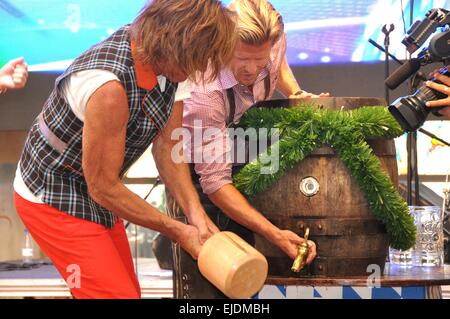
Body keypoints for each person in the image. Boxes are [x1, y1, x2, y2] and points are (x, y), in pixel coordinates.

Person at [13, 0, 236, 299]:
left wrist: (195, 215)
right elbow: (102, 186)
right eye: (194, 59)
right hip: (50, 190)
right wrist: (177, 230)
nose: (198, 68)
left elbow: (168, 146)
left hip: (97, 186)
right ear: (173, 43)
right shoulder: (108, 86)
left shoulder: (173, 65)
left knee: (127, 292)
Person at [167, 0, 324, 299]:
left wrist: (295, 92)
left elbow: (278, 61)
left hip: (240, 156)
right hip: (197, 180)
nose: (252, 70)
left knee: (249, 287)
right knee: (209, 290)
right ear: (223, 44)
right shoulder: (205, 93)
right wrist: (274, 234)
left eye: (260, 59)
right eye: (242, 59)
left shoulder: (272, 40)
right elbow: (215, 184)